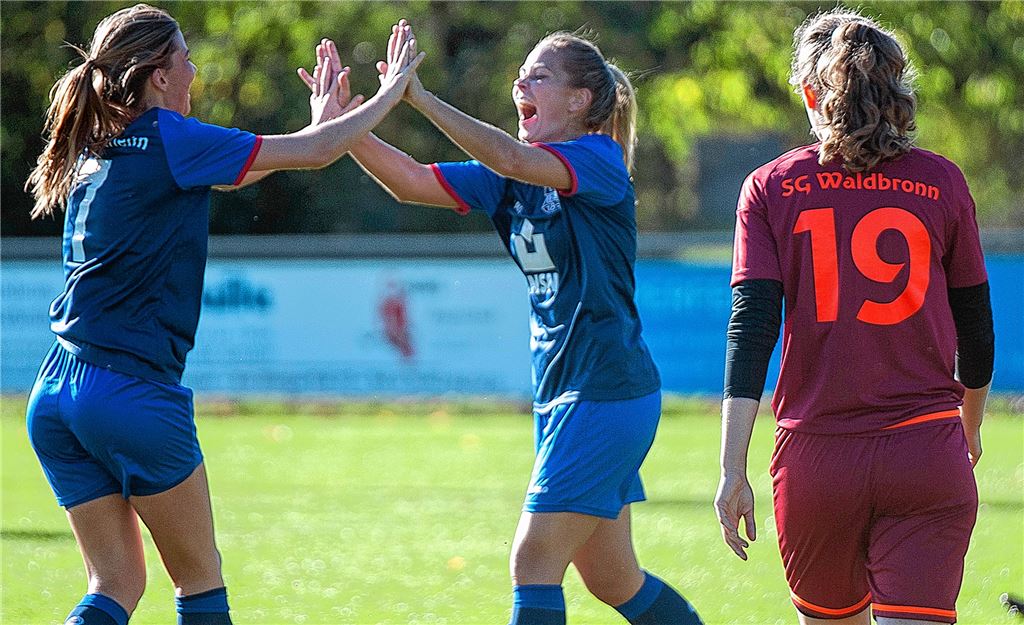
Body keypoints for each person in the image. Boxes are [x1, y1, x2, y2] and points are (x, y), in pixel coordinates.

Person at [23, 5, 422, 625]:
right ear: (158, 74)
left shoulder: (97, 148)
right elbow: (314, 156)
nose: (194, 69)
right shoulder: (174, 140)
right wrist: (391, 94)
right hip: (129, 393)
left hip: (54, 394)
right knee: (200, 587)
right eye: (185, 58)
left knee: (115, 584)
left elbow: (256, 168)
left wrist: (321, 124)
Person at [308, 20, 703, 625]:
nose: (522, 80)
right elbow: (411, 183)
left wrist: (418, 96)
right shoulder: (512, 177)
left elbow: (509, 154)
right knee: (614, 580)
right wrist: (342, 126)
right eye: (522, 73)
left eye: (539, 74)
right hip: (567, 399)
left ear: (580, 102)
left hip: (604, 393)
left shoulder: (597, 158)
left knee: (532, 562)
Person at [714, 8, 994, 625]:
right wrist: (967, 428)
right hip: (925, 449)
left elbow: (752, 328)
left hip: (816, 458)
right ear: (898, 90)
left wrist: (733, 466)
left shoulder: (770, 186)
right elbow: (976, 329)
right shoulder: (942, 182)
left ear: (813, 94)